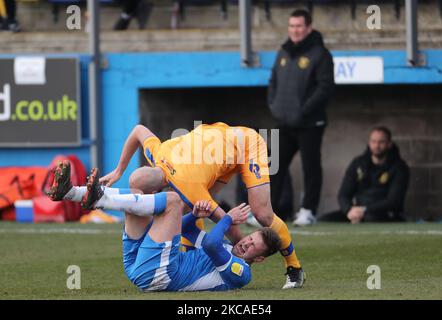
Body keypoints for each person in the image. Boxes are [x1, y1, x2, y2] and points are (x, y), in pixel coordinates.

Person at [83, 122, 304, 289]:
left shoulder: (191, 186)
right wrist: (119, 171)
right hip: (217, 146)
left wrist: (234, 227)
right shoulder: (158, 153)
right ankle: (96, 196)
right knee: (186, 207)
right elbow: (139, 131)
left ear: (155, 189)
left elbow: (224, 226)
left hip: (247, 144)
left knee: (262, 214)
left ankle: (293, 267)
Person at [47, 161, 282, 292]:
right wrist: (196, 215)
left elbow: (210, 243)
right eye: (250, 238)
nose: (245, 243)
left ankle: (97, 199)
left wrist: (227, 218)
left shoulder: (242, 273)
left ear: (259, 259)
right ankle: (71, 192)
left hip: (161, 275)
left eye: (252, 247)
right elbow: (188, 230)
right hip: (141, 265)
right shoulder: (227, 247)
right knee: (137, 196)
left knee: (173, 201)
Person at [268, 9, 334, 226]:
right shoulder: (283, 53)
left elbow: (325, 88)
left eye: (299, 26)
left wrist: (303, 111)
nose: (295, 30)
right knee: (273, 165)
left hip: (310, 123)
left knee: (310, 167)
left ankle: (308, 210)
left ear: (309, 28)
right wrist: (275, 106)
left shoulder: (320, 54)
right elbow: (273, 83)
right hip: (284, 122)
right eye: (292, 26)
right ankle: (269, 213)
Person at [319, 127, 410, 223]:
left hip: (384, 213)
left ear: (389, 144)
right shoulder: (358, 163)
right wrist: (348, 210)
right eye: (373, 141)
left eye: (381, 142)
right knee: (325, 220)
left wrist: (365, 210)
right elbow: (343, 194)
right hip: (356, 211)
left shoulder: (399, 167)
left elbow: (394, 200)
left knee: (371, 218)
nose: (377, 146)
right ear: (369, 142)